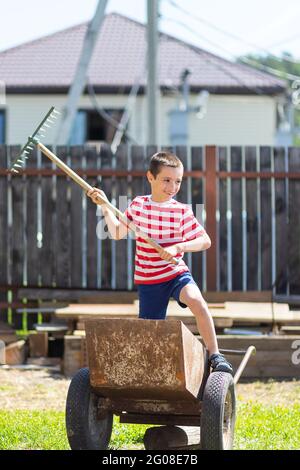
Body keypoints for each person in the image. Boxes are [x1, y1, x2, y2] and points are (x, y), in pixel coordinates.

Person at [87, 151, 233, 374]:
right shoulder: (138, 206)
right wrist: (105, 206)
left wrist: (179, 247)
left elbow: (205, 241)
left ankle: (215, 355)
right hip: (149, 280)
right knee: (149, 335)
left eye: (177, 181)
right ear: (150, 177)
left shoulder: (181, 211)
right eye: (166, 180)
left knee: (197, 301)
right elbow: (117, 232)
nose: (172, 187)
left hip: (175, 274)